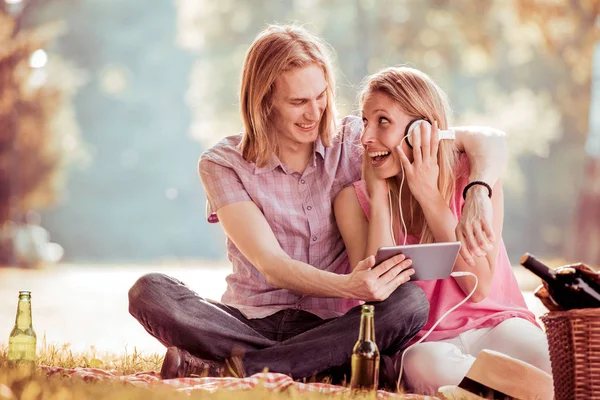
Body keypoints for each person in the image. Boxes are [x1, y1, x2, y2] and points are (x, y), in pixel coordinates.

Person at [128, 24, 509, 387]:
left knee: (408, 303)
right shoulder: (223, 162)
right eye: (298, 102)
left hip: (330, 327)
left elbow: (485, 139)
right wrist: (347, 285)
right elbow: (271, 265)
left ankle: (231, 368)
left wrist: (477, 190)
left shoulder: (357, 139)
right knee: (150, 291)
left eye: (320, 96)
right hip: (246, 321)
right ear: (264, 102)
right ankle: (305, 366)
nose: (314, 114)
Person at [334, 65, 551, 395]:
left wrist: (429, 197)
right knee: (427, 365)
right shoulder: (352, 200)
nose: (366, 137)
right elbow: (381, 299)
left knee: (551, 359)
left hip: (494, 323)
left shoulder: (471, 178)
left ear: (421, 129)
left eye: (382, 121)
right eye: (365, 121)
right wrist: (378, 198)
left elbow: (477, 287)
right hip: (423, 344)